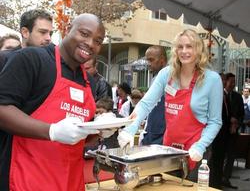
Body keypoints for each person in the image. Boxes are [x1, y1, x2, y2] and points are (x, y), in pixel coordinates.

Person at [0, 13, 114, 191]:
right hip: (27, 180)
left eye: (98, 41)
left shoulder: (89, 82)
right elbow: (2, 108)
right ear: (68, 29)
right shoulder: (32, 59)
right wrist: (51, 131)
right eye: (84, 34)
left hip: (70, 182)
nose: (91, 44)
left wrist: (98, 131)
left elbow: (76, 136)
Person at [118, 29, 223, 181]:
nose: (184, 51)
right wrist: (131, 128)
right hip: (169, 149)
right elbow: (146, 104)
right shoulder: (166, 74)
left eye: (189, 46)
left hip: (197, 150)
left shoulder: (212, 80)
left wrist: (201, 146)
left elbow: (215, 122)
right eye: (180, 47)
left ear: (199, 49)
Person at [141, 45, 168, 145]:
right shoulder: (154, 78)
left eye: (151, 60)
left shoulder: (170, 78)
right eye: (147, 60)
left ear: (162, 60)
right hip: (152, 130)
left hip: (161, 133)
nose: (148, 64)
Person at [222, 72, 244, 189]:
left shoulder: (237, 97)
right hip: (222, 133)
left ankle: (226, 178)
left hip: (233, 133)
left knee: (231, 156)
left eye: (234, 82)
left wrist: (236, 124)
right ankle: (218, 178)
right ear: (225, 82)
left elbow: (241, 114)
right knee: (221, 157)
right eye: (231, 82)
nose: (233, 84)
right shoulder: (220, 95)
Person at [209, 73, 231, 189]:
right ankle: (212, 184)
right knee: (213, 161)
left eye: (223, 80)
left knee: (220, 160)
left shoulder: (224, 95)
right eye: (220, 79)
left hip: (223, 134)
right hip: (215, 135)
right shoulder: (212, 94)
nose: (222, 82)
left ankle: (217, 184)